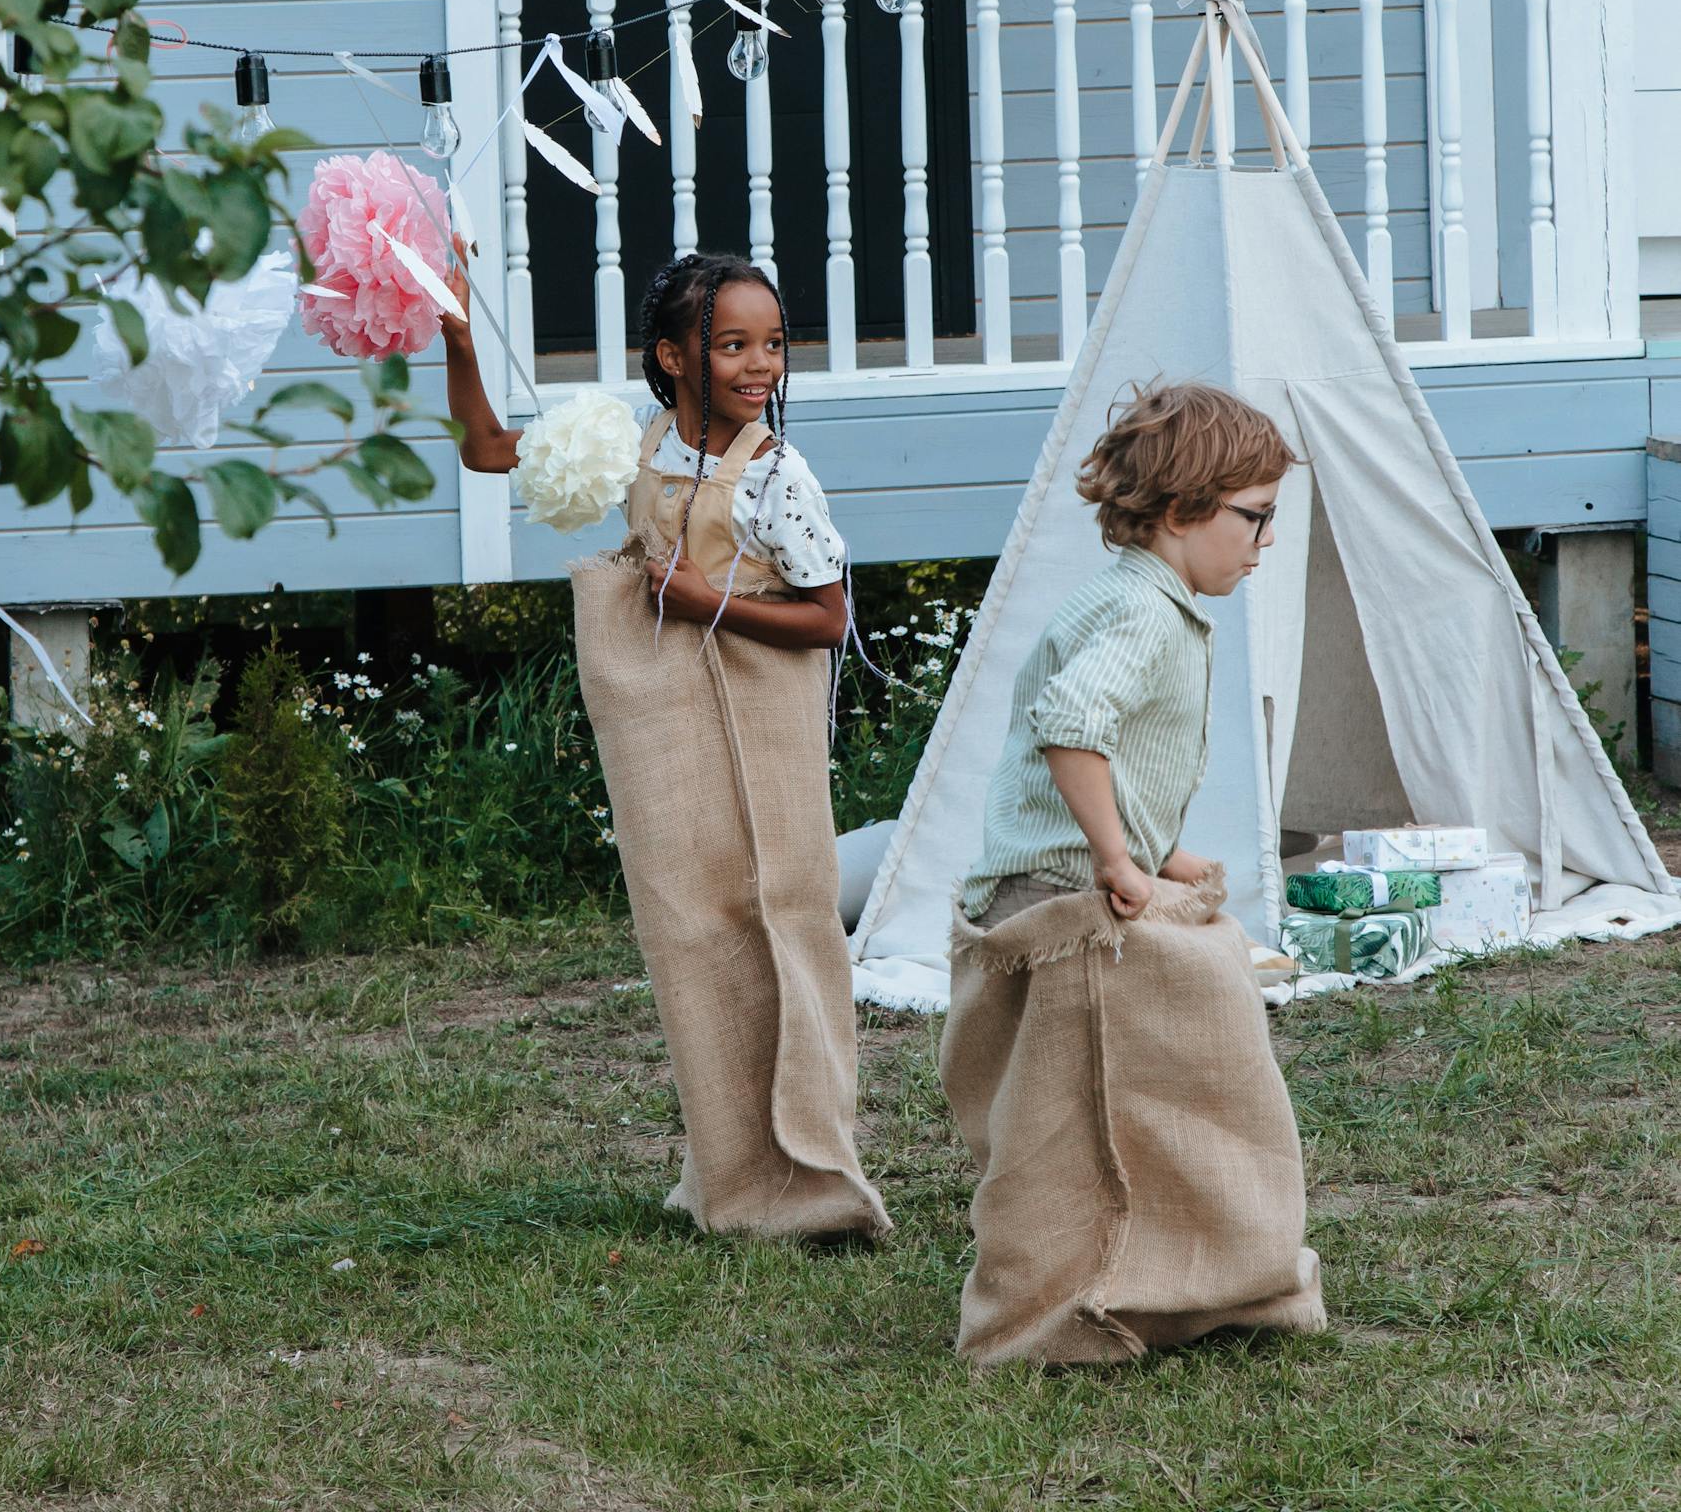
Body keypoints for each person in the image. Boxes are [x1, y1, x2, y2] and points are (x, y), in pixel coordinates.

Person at [446, 247, 890, 1245]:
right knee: (694, 932)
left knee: (786, 917)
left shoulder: (778, 476)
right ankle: (734, 1172)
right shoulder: (634, 445)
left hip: (762, 728)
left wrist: (706, 600)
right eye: (731, 343)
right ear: (672, 357)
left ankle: (819, 1170)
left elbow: (830, 620)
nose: (759, 364)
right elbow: (482, 448)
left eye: (772, 343)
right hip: (674, 734)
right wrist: (459, 335)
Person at [940, 381, 1326, 1366]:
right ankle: (1067, 1297)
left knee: (1157, 1060)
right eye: (1255, 516)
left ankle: (1186, 1261)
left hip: (1073, 876)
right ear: (1185, 505)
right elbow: (1073, 726)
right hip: (1058, 902)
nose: (1264, 540)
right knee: (1073, 1109)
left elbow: (1113, 750)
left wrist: (1159, 850)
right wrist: (1117, 859)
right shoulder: (1143, 617)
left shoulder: (1130, 598)